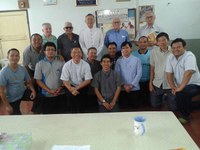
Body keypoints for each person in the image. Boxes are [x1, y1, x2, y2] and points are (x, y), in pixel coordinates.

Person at [166, 38, 200, 124]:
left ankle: (185, 116)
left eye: (178, 47)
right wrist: (173, 87)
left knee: (182, 92)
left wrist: (180, 88)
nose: (175, 49)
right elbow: (169, 74)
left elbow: (188, 72)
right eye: (173, 47)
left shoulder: (189, 55)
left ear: (184, 47)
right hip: (181, 86)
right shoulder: (170, 57)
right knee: (179, 102)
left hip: (195, 84)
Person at [0, 48, 36, 115]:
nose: (14, 57)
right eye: (12, 55)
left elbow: (28, 81)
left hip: (22, 93)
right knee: (16, 116)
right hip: (12, 99)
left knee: (39, 98)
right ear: (8, 57)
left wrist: (33, 90)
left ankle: (36, 114)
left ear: (19, 57)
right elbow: (1, 91)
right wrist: (7, 106)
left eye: (16, 55)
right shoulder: (3, 72)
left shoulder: (22, 69)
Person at [34, 42, 66, 114]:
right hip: (46, 95)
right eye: (48, 50)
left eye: (52, 49)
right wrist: (49, 90)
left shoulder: (61, 62)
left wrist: (60, 88)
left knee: (62, 117)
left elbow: (66, 78)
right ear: (44, 51)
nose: (50, 51)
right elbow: (38, 80)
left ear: (55, 51)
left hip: (61, 94)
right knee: (49, 118)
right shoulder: (39, 64)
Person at [149, 32, 176, 111]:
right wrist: (150, 83)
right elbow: (152, 68)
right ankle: (164, 97)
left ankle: (167, 96)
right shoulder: (154, 52)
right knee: (154, 105)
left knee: (173, 108)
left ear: (168, 40)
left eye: (164, 40)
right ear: (157, 42)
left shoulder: (174, 51)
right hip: (158, 82)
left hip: (171, 83)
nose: (162, 42)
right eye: (159, 41)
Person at [60, 47, 92, 113]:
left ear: (82, 54)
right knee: (71, 105)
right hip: (70, 86)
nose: (77, 54)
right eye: (74, 52)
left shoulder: (86, 65)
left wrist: (76, 88)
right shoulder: (66, 65)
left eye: (79, 52)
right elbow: (64, 80)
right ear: (71, 54)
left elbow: (88, 80)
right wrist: (71, 89)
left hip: (82, 86)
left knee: (82, 106)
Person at [115, 41, 142, 109]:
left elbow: (139, 74)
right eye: (123, 48)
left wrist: (131, 85)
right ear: (121, 50)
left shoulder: (137, 60)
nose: (125, 50)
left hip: (135, 88)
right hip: (123, 89)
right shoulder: (119, 61)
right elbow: (117, 75)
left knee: (135, 108)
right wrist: (124, 85)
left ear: (131, 49)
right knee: (124, 109)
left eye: (127, 47)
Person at [23, 33, 44, 114]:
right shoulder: (27, 51)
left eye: (39, 39)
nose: (36, 41)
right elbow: (25, 65)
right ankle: (36, 111)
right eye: (34, 39)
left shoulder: (44, 47)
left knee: (43, 89)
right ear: (31, 41)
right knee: (35, 91)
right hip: (32, 71)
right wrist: (31, 77)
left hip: (43, 70)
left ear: (42, 40)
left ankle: (44, 107)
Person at [132, 36, 151, 105]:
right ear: (138, 44)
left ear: (148, 43)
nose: (142, 44)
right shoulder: (133, 54)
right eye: (140, 42)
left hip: (149, 82)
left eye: (145, 42)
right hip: (136, 83)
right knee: (137, 104)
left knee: (149, 104)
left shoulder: (152, 53)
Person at [86, 47, 101, 112]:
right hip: (85, 90)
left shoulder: (99, 63)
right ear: (87, 54)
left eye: (95, 53)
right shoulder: (82, 63)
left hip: (96, 90)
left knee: (96, 110)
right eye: (91, 53)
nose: (93, 55)